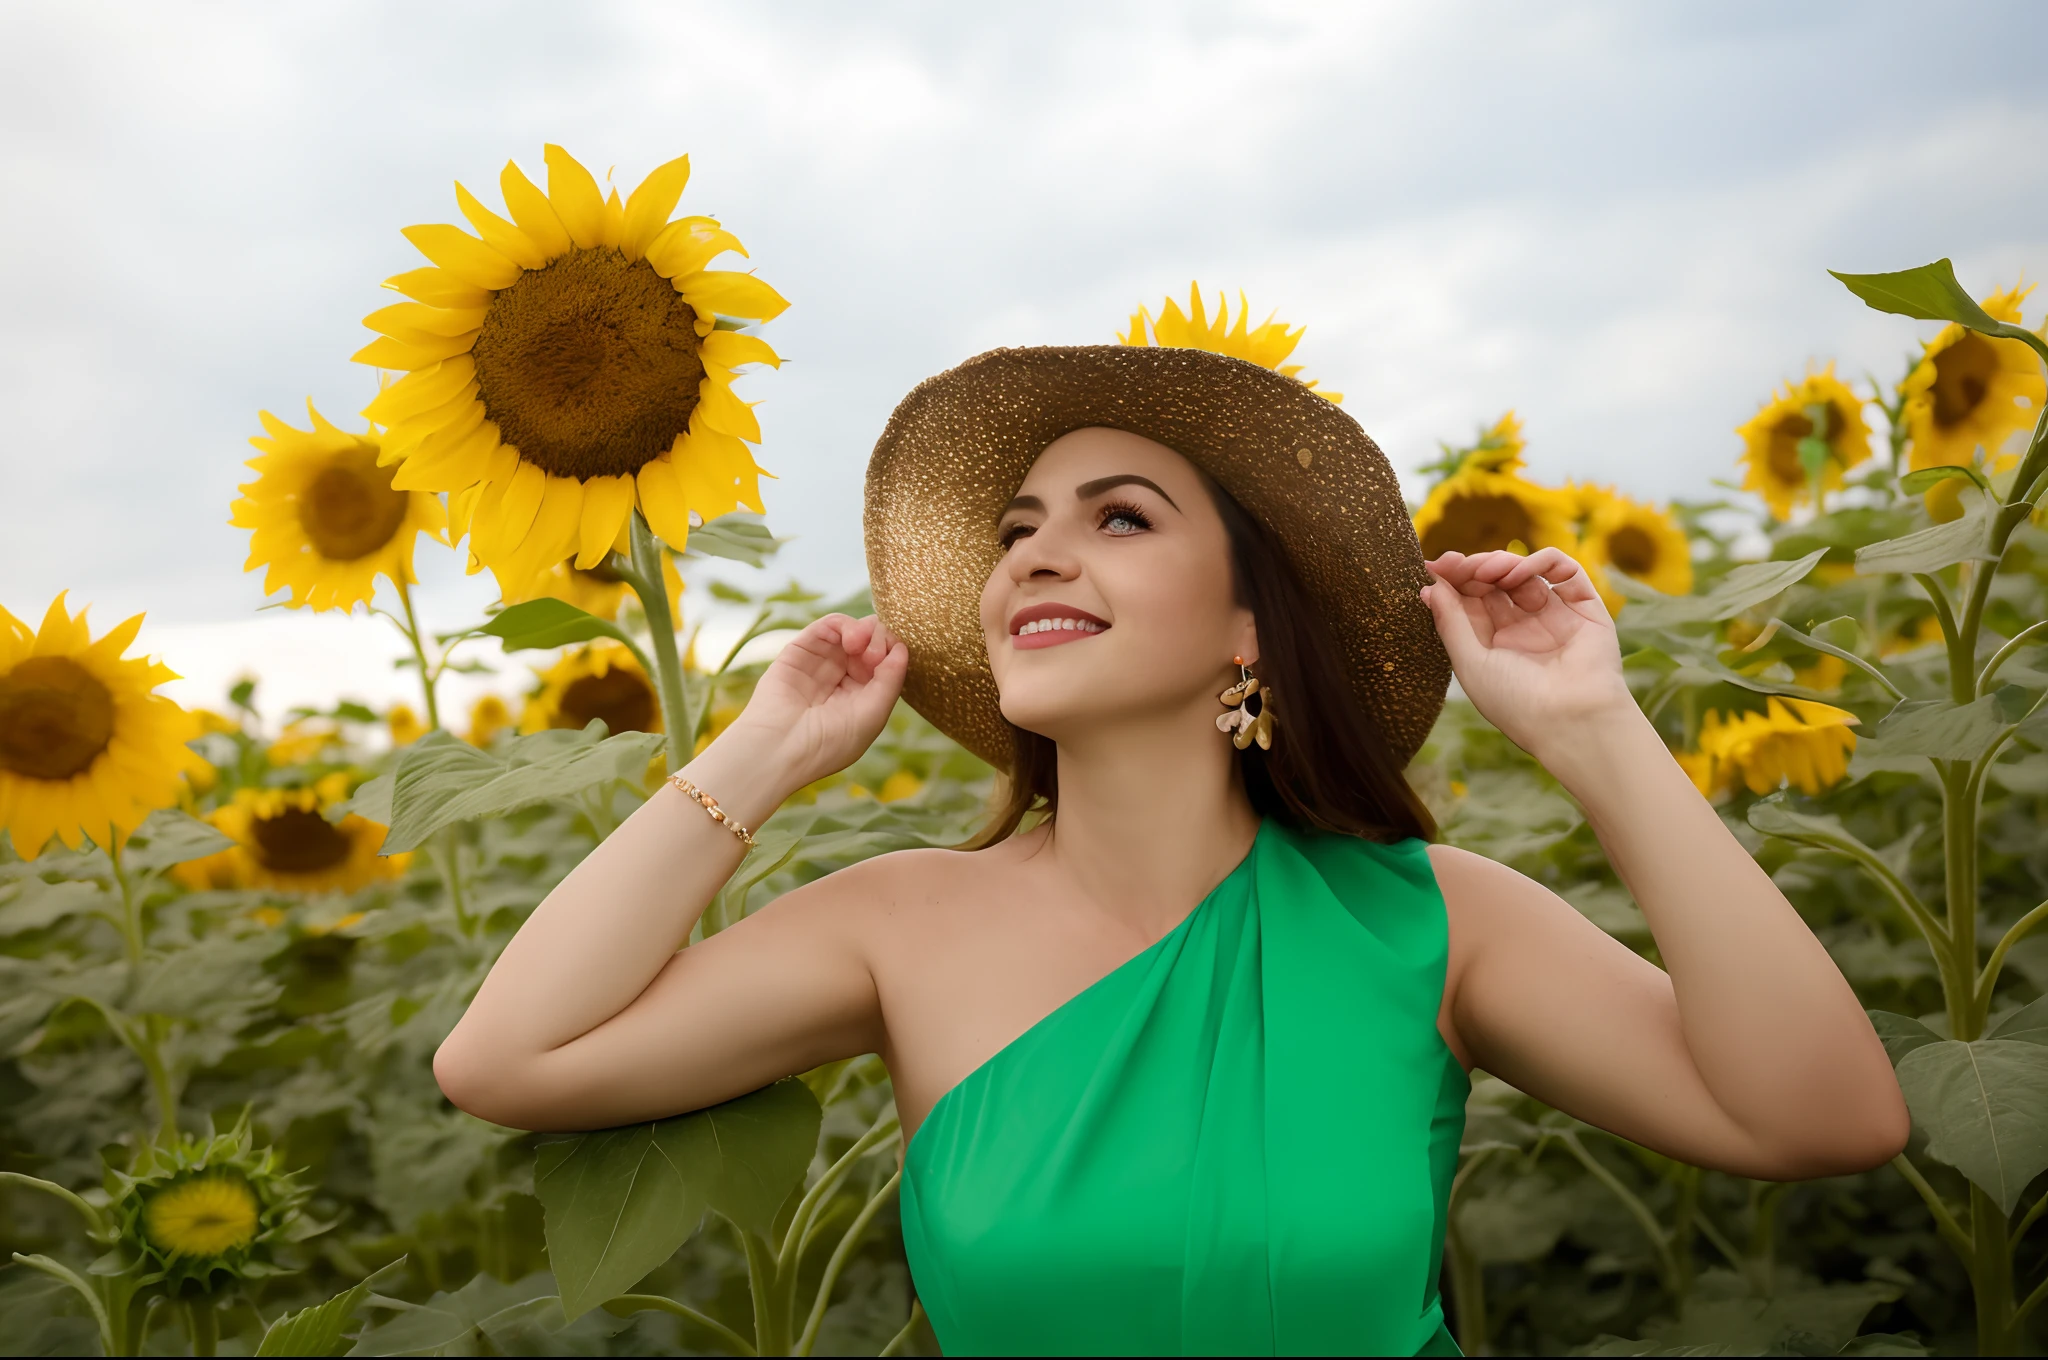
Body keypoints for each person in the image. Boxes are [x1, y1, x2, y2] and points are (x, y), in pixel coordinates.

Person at [434, 345, 1908, 1356]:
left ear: (1248, 623)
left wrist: (1595, 732)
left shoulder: (1428, 922)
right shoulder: (897, 926)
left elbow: (1823, 1119)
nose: (1033, 556)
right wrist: (761, 751)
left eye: (1118, 517)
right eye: (1018, 530)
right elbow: (508, 1063)